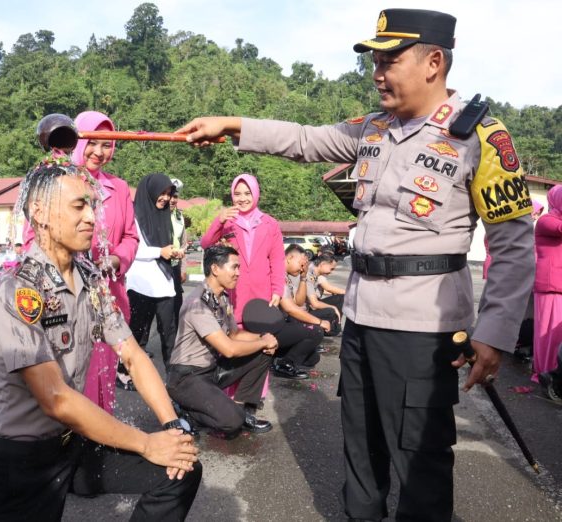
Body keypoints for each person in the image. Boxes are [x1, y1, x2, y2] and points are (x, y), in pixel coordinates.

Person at [177, 9, 535, 521]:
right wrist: (232, 126)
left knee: (420, 464)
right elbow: (304, 139)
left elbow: (514, 243)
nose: (378, 72)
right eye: (375, 61)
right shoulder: (373, 128)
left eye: (390, 60)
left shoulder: (481, 135)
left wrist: (496, 332)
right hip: (363, 320)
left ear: (434, 62)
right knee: (360, 453)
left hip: (423, 330)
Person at [0, 161, 201, 522]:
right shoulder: (16, 289)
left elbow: (134, 356)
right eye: (79, 206)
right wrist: (146, 442)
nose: (93, 218)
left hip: (74, 443)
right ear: (40, 212)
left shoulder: (90, 280)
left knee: (181, 469)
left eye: (93, 205)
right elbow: (56, 399)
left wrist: (172, 429)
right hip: (21, 462)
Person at [167, 245, 277, 437]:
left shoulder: (221, 297)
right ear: (215, 269)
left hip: (212, 369)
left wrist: (264, 338)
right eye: (234, 267)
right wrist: (263, 341)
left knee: (263, 352)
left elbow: (234, 334)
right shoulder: (198, 304)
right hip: (187, 377)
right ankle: (185, 410)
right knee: (232, 423)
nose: (238, 273)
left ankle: (243, 410)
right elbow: (229, 349)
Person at [71, 110, 139, 411]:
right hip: (68, 294)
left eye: (107, 144)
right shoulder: (56, 180)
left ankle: (103, 430)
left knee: (106, 364)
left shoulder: (120, 188)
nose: (99, 152)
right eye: (91, 142)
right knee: (72, 367)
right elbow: (34, 237)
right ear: (76, 140)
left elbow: (131, 237)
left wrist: (115, 259)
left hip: (109, 292)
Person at [200, 174, 285, 325]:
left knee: (261, 332)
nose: (242, 199)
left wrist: (277, 290)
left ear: (256, 193)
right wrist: (219, 221)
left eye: (248, 193)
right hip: (234, 290)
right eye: (237, 194)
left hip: (262, 291)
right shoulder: (227, 222)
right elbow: (206, 244)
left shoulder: (270, 223)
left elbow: (277, 260)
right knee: (234, 332)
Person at [124, 173, 182, 382]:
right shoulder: (134, 216)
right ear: (150, 192)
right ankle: (125, 373)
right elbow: (132, 250)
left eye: (169, 194)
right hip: (141, 285)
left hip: (163, 284)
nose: (166, 198)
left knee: (169, 331)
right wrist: (159, 252)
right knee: (137, 331)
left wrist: (172, 252)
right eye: (162, 193)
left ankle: (174, 376)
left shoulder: (164, 216)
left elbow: (164, 247)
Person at [273, 244, 332, 379]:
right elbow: (290, 308)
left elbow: (298, 303)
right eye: (301, 263)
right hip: (270, 328)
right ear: (290, 258)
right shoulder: (277, 275)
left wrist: (303, 277)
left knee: (312, 358)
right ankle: (284, 365)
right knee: (316, 330)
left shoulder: (286, 275)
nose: (302, 267)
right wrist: (320, 322)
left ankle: (277, 355)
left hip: (281, 323)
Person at [533, 186, 562, 384]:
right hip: (550, 284)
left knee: (557, 333)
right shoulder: (546, 221)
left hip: (558, 284)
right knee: (548, 332)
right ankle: (546, 372)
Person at [170, 178, 188, 321]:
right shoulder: (156, 215)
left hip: (175, 268)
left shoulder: (179, 216)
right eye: (170, 196)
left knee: (177, 311)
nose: (172, 200)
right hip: (157, 268)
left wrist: (183, 270)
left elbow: (183, 245)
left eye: (175, 196)